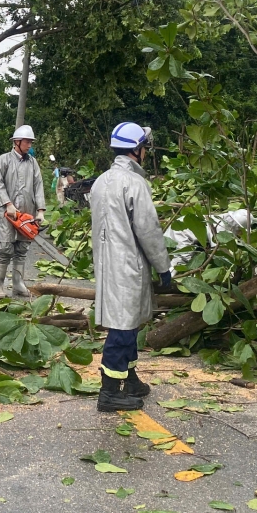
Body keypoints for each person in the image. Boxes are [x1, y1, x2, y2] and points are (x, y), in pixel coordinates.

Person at [89, 122, 170, 413]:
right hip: (128, 266)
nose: (146, 151)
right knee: (123, 328)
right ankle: (109, 392)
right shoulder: (135, 183)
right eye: (145, 147)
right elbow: (149, 230)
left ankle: (131, 379)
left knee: (128, 324)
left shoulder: (101, 181)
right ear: (137, 149)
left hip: (107, 264)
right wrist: (164, 268)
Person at [0, 125, 46, 296]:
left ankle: (18, 284)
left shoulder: (32, 162)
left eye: (31, 142)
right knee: (5, 248)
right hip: (6, 213)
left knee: (22, 248)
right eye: (27, 142)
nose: (29, 145)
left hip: (26, 212)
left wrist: (40, 210)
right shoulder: (3, 160)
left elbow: (38, 185)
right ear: (17, 142)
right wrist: (8, 204)